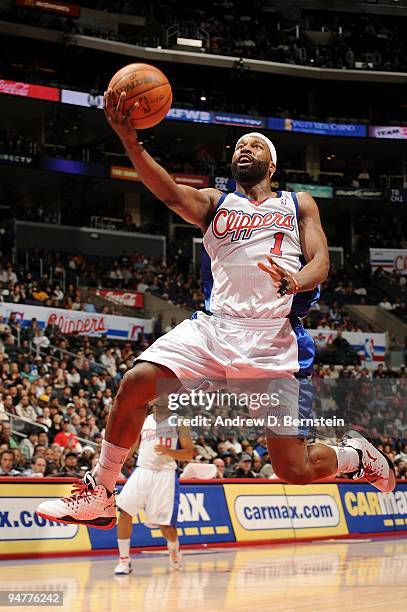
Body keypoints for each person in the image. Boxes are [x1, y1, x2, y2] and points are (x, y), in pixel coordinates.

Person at [36, 90, 396, 529]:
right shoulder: (215, 204)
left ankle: (354, 455)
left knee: (293, 469)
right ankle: (101, 492)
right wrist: (131, 142)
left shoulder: (298, 203)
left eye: (256, 145)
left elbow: (322, 261)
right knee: (135, 384)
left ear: (273, 164)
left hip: (272, 341)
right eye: (240, 146)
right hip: (215, 329)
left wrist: (297, 280)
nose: (245, 148)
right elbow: (168, 191)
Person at [114, 403, 193, 574]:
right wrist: (114, 464)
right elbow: (132, 447)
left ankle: (174, 551)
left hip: (165, 474)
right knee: (125, 510)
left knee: (165, 526)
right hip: (142, 470)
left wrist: (169, 451)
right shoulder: (143, 421)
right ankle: (124, 560)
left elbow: (188, 454)